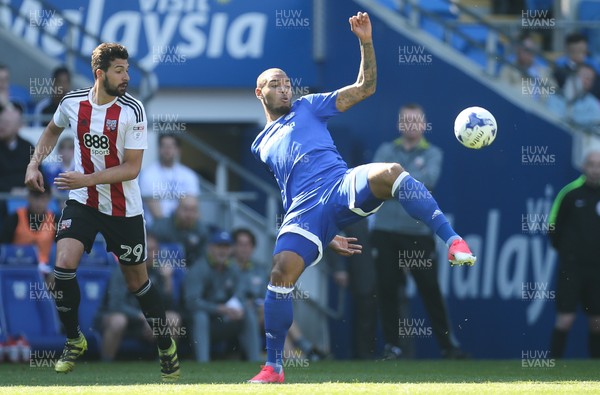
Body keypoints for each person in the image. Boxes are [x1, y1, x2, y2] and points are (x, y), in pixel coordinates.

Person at [247, 12, 476, 384]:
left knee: (390, 172)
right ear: (261, 93)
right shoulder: (260, 145)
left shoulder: (309, 105)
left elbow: (365, 86)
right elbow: (289, 187)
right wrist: (326, 232)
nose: (285, 88)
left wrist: (365, 41)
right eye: (276, 84)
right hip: (305, 211)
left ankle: (452, 239)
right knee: (280, 272)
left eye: (288, 83)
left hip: (339, 183)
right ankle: (274, 366)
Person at [24, 42, 180, 380]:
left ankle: (165, 343)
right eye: (119, 70)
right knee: (63, 264)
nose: (126, 77)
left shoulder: (133, 110)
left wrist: (86, 177)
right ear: (100, 73)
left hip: (123, 208)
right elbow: (52, 130)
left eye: (127, 69)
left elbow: (132, 168)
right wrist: (34, 163)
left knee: (137, 282)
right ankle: (74, 339)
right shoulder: (72, 103)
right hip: (82, 200)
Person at [371, 103, 468, 359]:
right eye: (406, 120)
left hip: (417, 233)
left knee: (430, 290)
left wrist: (396, 181)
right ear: (399, 124)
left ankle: (448, 346)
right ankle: (392, 346)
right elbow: (377, 185)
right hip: (385, 231)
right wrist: (406, 180)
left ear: (424, 124)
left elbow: (427, 182)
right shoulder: (385, 150)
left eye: (416, 121)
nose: (411, 125)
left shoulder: (433, 153)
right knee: (387, 289)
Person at [95, 233, 182, 361]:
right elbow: (115, 305)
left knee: (173, 318)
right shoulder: (123, 270)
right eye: (145, 249)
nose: (148, 253)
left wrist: (168, 281)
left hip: (145, 321)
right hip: (117, 318)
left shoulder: (159, 272)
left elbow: (168, 306)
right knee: (119, 321)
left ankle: (166, 363)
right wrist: (144, 317)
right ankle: (106, 363)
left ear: (157, 252)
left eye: (152, 250)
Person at [549, 149, 600, 358]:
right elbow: (553, 226)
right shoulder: (570, 193)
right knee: (566, 318)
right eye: (592, 165)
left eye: (599, 166)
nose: (596, 170)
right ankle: (552, 365)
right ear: (583, 167)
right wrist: (568, 253)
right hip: (572, 268)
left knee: (597, 322)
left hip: (597, 269)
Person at [183, 231, 260, 362]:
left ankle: (255, 362)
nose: (222, 251)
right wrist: (220, 308)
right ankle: (203, 364)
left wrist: (238, 308)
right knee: (200, 316)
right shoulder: (199, 268)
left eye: (226, 247)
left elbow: (240, 294)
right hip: (196, 321)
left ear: (231, 250)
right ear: (210, 247)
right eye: (219, 246)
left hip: (224, 317)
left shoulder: (232, 268)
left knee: (248, 312)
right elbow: (192, 302)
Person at [139, 133, 200, 225]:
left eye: (171, 146)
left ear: (178, 150)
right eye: (164, 146)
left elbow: (192, 206)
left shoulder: (189, 175)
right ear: (158, 149)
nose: (167, 150)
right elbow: (156, 214)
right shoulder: (147, 174)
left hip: (183, 224)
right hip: (156, 226)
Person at [0, 185, 57, 277]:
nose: (38, 202)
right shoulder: (14, 218)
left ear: (49, 199)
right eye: (35, 198)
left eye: (43, 198)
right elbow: (3, 247)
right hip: (15, 268)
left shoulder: (55, 220)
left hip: (44, 271)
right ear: (28, 197)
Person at [150, 195, 210, 265]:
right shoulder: (160, 227)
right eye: (185, 209)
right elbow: (150, 254)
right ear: (177, 209)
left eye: (193, 210)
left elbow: (202, 260)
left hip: (189, 269)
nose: (189, 215)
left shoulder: (202, 231)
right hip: (162, 267)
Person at [498, 31, 556, 102]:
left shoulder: (544, 72)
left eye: (532, 50)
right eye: (526, 50)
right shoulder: (508, 70)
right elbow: (503, 93)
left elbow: (555, 92)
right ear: (518, 50)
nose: (529, 54)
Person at [546, 64, 600, 129]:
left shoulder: (593, 105)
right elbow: (550, 117)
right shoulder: (557, 94)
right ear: (574, 77)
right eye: (584, 77)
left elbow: (594, 127)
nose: (585, 81)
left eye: (589, 79)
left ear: (592, 84)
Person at [553, 33, 600, 101]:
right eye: (577, 51)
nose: (581, 55)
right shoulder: (559, 71)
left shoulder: (593, 70)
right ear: (568, 50)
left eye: (583, 51)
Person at [0, 103, 34, 196]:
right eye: (1, 122)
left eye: (6, 123)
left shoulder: (28, 146)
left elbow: (37, 172)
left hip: (26, 195)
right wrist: (10, 190)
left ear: (18, 126)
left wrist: (28, 190)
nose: (1, 126)